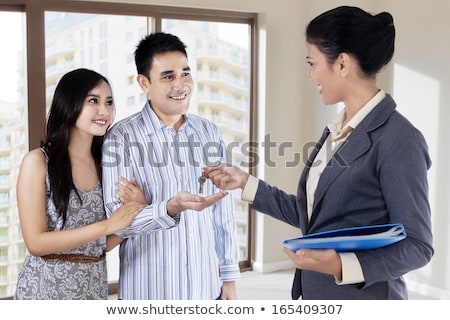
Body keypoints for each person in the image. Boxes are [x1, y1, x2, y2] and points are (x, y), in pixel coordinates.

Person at [204, 6, 433, 300]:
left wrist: (342, 265)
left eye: (312, 63)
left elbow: (418, 246)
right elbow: (313, 216)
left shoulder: (400, 139)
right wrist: (245, 183)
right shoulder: (337, 130)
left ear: (342, 64)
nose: (311, 75)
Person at [102, 32, 240, 300]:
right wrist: (168, 208)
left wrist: (229, 279)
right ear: (144, 82)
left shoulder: (208, 132)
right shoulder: (122, 138)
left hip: (205, 287)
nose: (181, 85)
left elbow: (223, 213)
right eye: (168, 76)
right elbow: (117, 222)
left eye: (185, 73)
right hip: (150, 291)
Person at [14, 68, 145, 300]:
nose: (104, 111)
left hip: (93, 291)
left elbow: (99, 245)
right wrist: (107, 226)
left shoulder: (107, 166)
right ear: (69, 104)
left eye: (109, 102)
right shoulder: (37, 162)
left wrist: (138, 211)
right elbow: (36, 242)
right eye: (93, 100)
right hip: (44, 292)